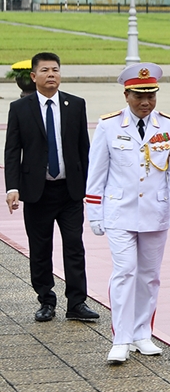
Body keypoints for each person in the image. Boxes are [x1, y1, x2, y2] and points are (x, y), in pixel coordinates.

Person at [85, 63, 170, 364]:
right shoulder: (109, 125)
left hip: (155, 212)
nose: (145, 103)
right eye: (139, 96)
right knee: (124, 271)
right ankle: (121, 338)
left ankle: (143, 333)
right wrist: (94, 212)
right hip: (119, 211)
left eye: (151, 96)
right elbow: (97, 172)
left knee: (149, 276)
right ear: (126, 94)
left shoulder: (169, 126)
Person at [4, 52, 99, 323]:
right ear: (33, 76)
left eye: (55, 70)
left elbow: (84, 149)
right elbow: (12, 151)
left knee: (74, 246)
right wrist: (12, 188)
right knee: (40, 248)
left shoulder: (75, 105)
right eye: (45, 70)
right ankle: (46, 301)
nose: (51, 75)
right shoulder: (20, 109)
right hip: (37, 192)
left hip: (69, 192)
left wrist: (90, 187)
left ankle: (77, 303)